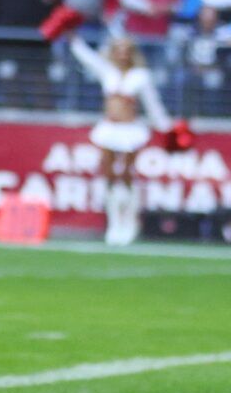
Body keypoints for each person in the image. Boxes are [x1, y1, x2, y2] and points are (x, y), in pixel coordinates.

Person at [65, 34, 169, 246]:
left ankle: (130, 222)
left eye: (126, 49)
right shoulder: (108, 72)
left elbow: (152, 103)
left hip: (130, 130)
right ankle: (114, 223)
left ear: (132, 53)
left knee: (128, 174)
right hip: (109, 129)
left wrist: (166, 126)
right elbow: (89, 59)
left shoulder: (140, 75)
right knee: (110, 174)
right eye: (118, 49)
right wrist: (74, 39)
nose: (122, 54)